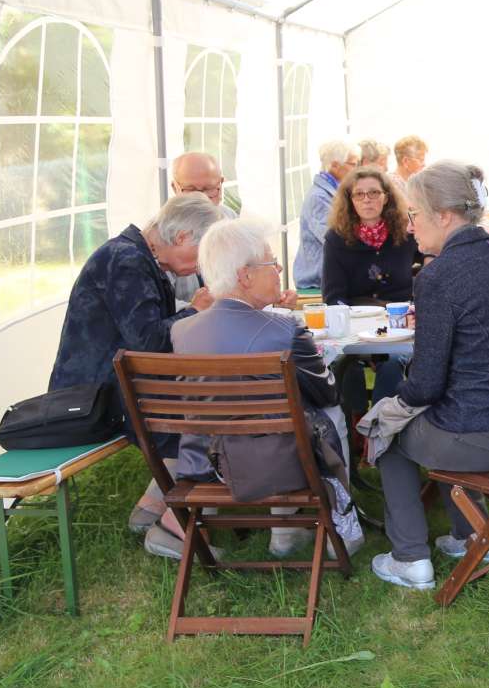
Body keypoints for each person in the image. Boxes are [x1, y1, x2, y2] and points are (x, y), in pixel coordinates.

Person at [368, 161, 489, 590]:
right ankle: (470, 534)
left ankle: (410, 559)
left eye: (414, 214)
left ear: (445, 216)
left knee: (386, 430)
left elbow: (428, 385)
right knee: (444, 417)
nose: (410, 227)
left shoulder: (437, 276)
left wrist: (393, 403)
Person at [169, 217, 365, 558]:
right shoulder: (284, 329)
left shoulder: (182, 331)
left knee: (276, 414)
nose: (278, 269)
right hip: (275, 463)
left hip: (205, 462)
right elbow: (327, 392)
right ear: (245, 276)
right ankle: (336, 530)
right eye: (271, 263)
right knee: (327, 410)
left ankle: (287, 533)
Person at [47, 192, 224, 556]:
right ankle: (173, 528)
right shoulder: (126, 261)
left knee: (203, 399)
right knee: (205, 413)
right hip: (92, 399)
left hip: (111, 387)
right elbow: (149, 342)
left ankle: (150, 511)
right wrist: (195, 311)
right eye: (200, 253)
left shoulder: (138, 256)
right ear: (181, 238)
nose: (199, 265)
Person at [322, 168, 417, 306]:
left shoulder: (406, 230)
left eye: (374, 193)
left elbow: (432, 252)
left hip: (401, 315)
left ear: (386, 198)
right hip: (358, 319)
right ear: (350, 200)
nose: (366, 200)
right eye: (359, 194)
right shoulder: (336, 238)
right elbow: (333, 298)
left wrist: (428, 260)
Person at [167, 152, 239, 305]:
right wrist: (195, 308)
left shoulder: (230, 219)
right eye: (191, 190)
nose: (201, 199)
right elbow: (162, 303)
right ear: (175, 188)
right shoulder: (163, 232)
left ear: (221, 184)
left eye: (209, 190)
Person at [295, 139, 359, 289]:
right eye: (353, 164)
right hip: (316, 281)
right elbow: (332, 238)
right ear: (335, 164)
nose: (356, 170)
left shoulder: (336, 191)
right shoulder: (319, 198)